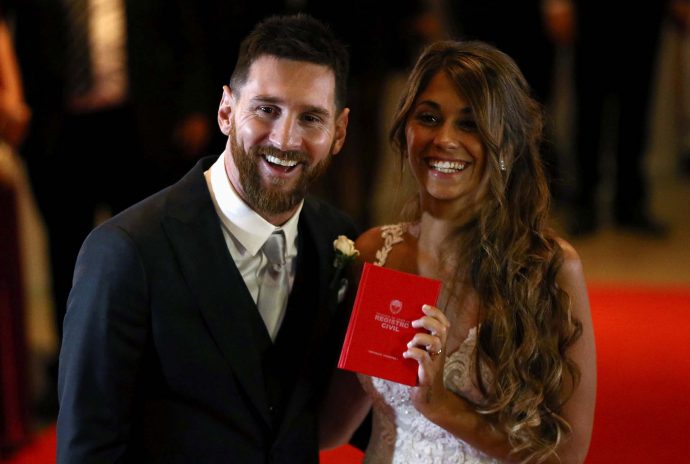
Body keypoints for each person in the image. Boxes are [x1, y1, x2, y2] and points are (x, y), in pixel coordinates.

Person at [57, 14, 358, 463]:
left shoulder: (340, 240)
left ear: (339, 132)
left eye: (311, 117)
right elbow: (89, 450)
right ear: (225, 111)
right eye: (266, 109)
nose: (285, 138)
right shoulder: (126, 252)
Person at [319, 40, 596, 463]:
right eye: (429, 118)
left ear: (508, 142)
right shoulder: (374, 254)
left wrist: (444, 408)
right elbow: (331, 426)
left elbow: (566, 455)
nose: (444, 139)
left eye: (470, 124)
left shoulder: (550, 268)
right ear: (404, 130)